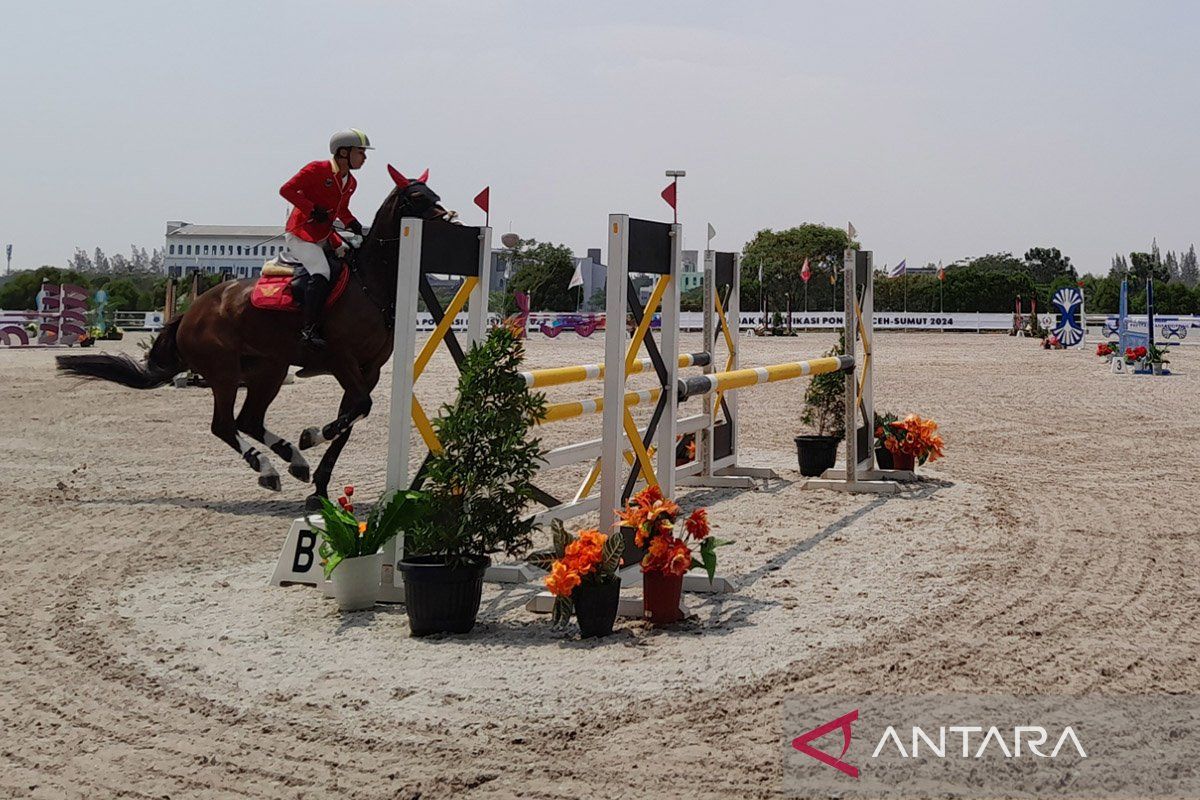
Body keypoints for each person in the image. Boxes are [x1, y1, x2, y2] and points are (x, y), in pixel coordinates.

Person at [279, 129, 372, 349]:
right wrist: (311, 209)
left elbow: (343, 211)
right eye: (360, 152)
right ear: (343, 152)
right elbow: (287, 190)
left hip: (325, 236)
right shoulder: (316, 169)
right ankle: (307, 330)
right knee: (321, 272)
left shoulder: (351, 182)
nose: (365, 158)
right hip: (301, 235)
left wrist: (354, 224)